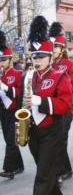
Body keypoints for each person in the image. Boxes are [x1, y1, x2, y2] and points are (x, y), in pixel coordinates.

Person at [24, 15, 72, 195]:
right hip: (34, 132)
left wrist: (40, 101)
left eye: (41, 57)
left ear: (50, 57)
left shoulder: (60, 76)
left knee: (43, 178)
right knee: (49, 176)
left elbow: (66, 105)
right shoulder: (30, 77)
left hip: (52, 133)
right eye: (34, 56)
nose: (36, 61)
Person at [49, 21, 73, 184]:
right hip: (52, 107)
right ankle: (65, 168)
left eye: (55, 47)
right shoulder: (49, 65)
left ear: (62, 49)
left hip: (66, 107)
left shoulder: (70, 65)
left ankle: (62, 171)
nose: (52, 51)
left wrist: (58, 83)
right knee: (55, 140)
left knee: (61, 139)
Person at [0, 30, 24, 180]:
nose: (1, 62)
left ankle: (8, 169)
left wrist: (6, 88)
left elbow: (19, 93)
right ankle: (19, 165)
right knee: (8, 139)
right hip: (3, 111)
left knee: (10, 140)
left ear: (10, 59)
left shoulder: (17, 73)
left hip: (14, 110)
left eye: (3, 59)